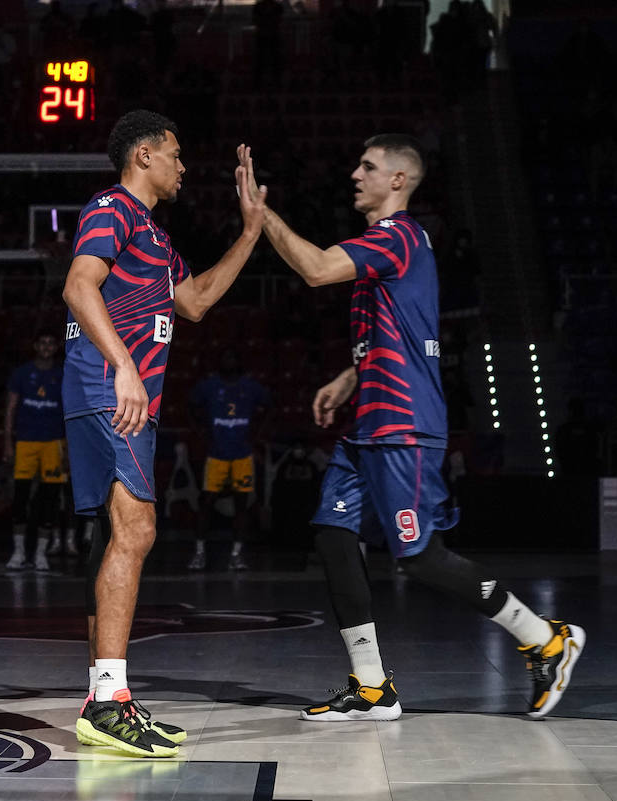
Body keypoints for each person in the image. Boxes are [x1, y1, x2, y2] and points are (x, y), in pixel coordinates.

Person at [239, 135, 585, 720]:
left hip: (403, 425)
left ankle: (546, 638)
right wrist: (351, 376)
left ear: (398, 180)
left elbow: (318, 269)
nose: (354, 173)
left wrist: (259, 214)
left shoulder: (396, 237)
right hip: (367, 424)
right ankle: (371, 686)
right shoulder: (390, 248)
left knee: (419, 555)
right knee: (331, 533)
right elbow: (396, 328)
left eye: (368, 166)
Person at [63, 110, 267, 757]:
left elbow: (197, 299)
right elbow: (78, 284)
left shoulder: (152, 234)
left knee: (111, 536)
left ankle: (105, 695)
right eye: (175, 154)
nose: (183, 166)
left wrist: (252, 231)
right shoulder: (113, 208)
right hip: (110, 390)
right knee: (139, 529)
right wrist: (125, 367)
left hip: (114, 392)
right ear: (144, 155)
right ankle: (109, 701)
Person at [187, 348, 270, 571]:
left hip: (242, 455)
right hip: (217, 455)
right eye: (226, 356)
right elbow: (191, 405)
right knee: (206, 503)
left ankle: (236, 554)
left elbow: (270, 405)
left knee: (241, 505)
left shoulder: (250, 386)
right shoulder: (210, 385)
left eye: (233, 356)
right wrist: (201, 431)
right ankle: (199, 552)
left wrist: (256, 435)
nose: (229, 359)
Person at [3, 330, 69, 571]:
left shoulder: (63, 374)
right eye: (42, 342)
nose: (46, 346)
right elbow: (10, 409)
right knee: (20, 498)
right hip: (26, 442)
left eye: (51, 342)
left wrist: (69, 449)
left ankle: (41, 553)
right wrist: (8, 442)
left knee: (50, 499)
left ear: (55, 347)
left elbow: (70, 413)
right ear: (35, 345)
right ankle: (19, 552)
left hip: (54, 443)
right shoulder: (21, 373)